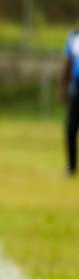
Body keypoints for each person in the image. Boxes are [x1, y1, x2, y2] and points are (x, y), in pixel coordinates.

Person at [65, 25, 79, 177]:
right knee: (71, 128)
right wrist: (63, 84)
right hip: (77, 88)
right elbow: (68, 61)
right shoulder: (74, 36)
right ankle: (72, 165)